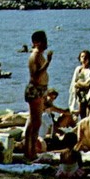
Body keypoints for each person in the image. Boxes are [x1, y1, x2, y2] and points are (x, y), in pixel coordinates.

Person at [24, 30, 53, 161]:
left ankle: (31, 151)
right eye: (43, 41)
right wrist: (48, 62)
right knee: (34, 123)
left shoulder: (40, 55)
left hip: (40, 90)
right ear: (36, 42)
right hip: (34, 90)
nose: (46, 43)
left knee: (36, 122)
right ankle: (29, 152)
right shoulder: (34, 56)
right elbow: (35, 76)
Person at [68, 50, 90, 119]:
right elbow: (74, 83)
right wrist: (79, 84)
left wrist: (79, 83)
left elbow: (88, 84)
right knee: (80, 113)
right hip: (78, 94)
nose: (84, 58)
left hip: (88, 95)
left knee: (88, 114)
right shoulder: (78, 69)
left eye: (86, 57)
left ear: (89, 59)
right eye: (82, 56)